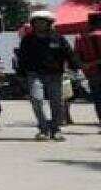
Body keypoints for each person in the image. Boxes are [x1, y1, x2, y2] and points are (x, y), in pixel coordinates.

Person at [17, 9, 78, 141]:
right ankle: (43, 128)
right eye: (37, 22)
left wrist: (74, 66)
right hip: (34, 75)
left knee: (57, 102)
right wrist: (21, 75)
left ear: (49, 23)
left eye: (43, 22)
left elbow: (69, 53)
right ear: (33, 24)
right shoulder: (28, 40)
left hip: (55, 75)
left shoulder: (58, 38)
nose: (40, 24)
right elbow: (21, 58)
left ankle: (56, 129)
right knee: (36, 100)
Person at [73, 11, 101, 130]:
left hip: (91, 73)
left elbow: (76, 57)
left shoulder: (80, 37)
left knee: (98, 98)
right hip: (94, 70)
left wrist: (87, 64)